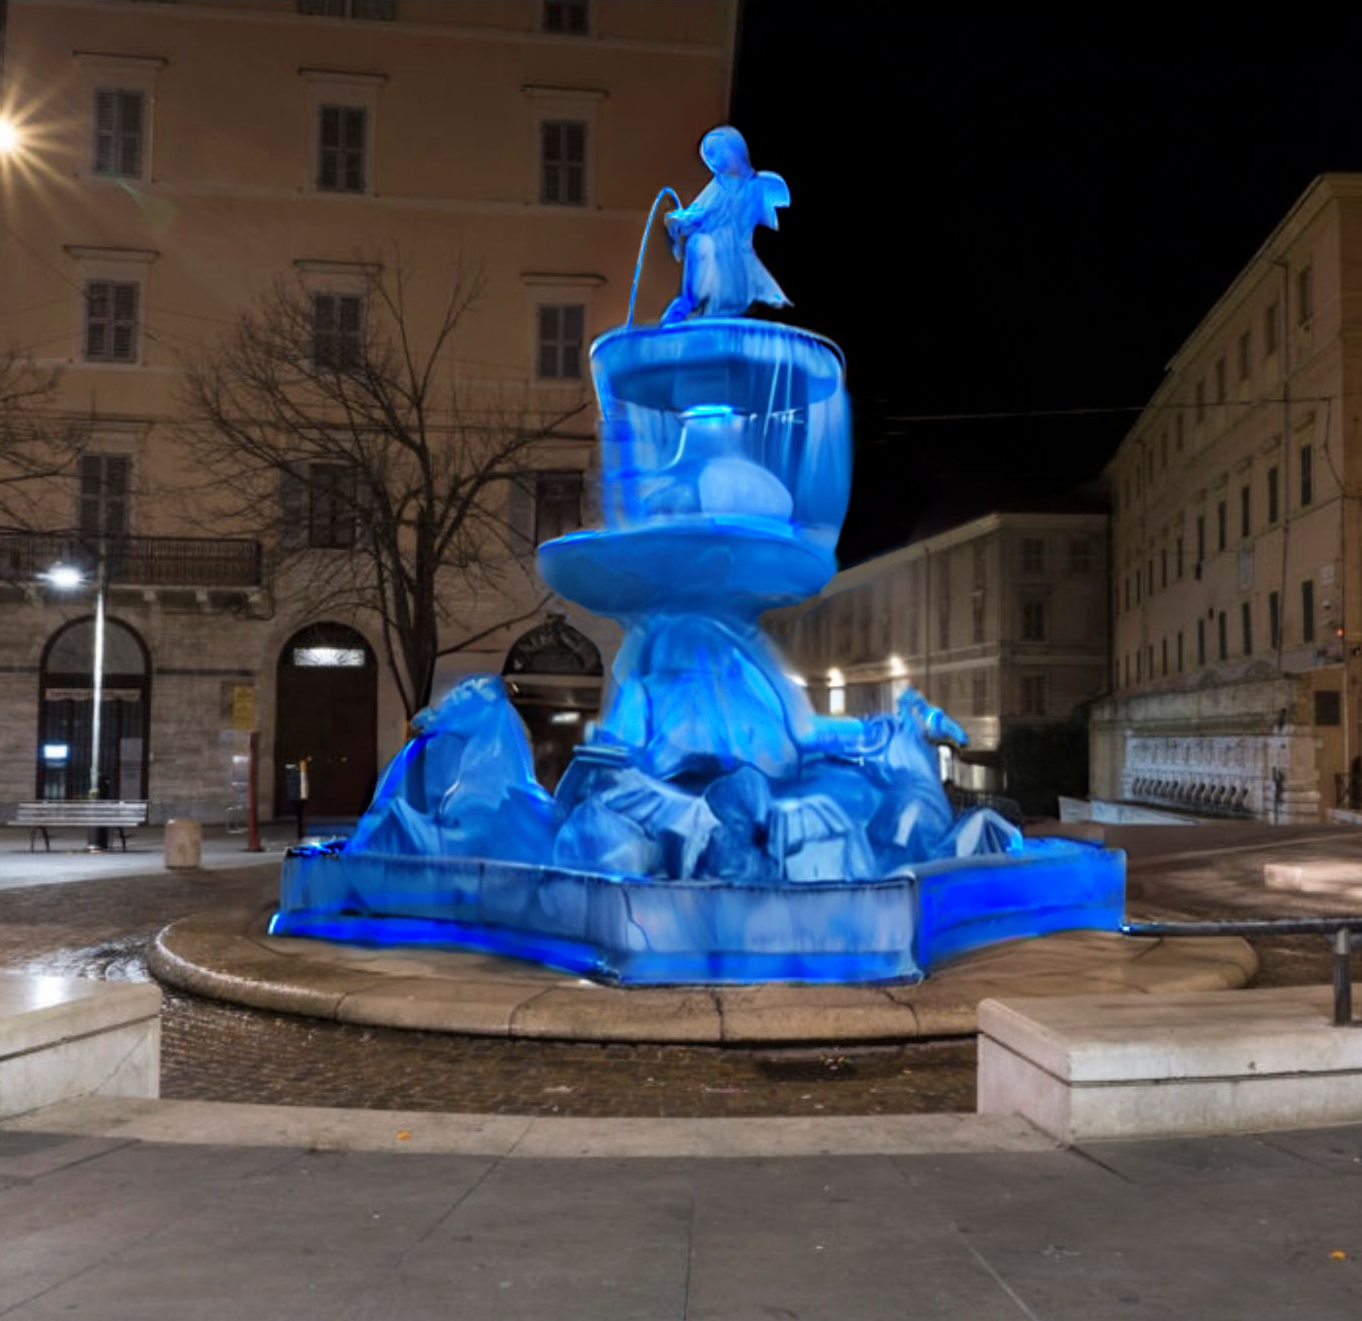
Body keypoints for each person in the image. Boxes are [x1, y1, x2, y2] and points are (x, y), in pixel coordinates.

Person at [662, 126, 791, 322]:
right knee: (698, 246)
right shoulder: (720, 184)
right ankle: (693, 304)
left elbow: (704, 215)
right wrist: (679, 220)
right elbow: (698, 212)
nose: (713, 162)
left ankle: (704, 306)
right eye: (709, 157)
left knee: (701, 247)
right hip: (716, 249)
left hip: (733, 252)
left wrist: (683, 219)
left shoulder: (750, 186)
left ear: (733, 152)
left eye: (715, 154)